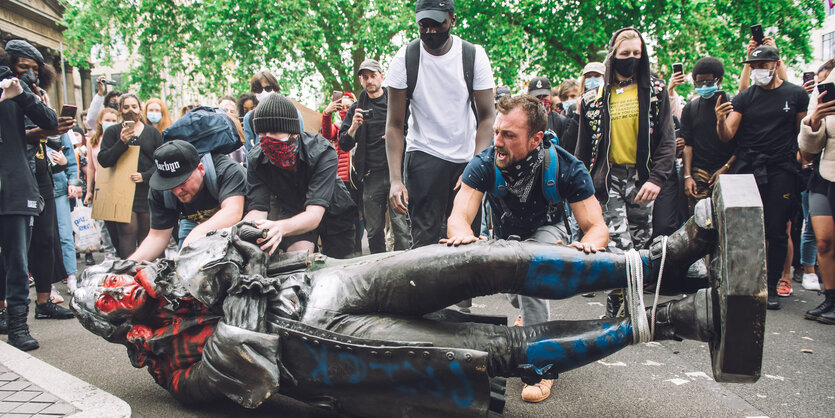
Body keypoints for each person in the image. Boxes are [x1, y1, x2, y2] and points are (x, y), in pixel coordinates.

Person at [71, 216, 733, 414]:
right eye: (110, 298)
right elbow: (245, 375)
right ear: (116, 326)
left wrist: (244, 245)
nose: (124, 286)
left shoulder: (175, 264)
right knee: (491, 355)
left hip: (327, 282)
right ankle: (671, 320)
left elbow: (235, 245)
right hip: (313, 345)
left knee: (482, 261)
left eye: (115, 278)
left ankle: (655, 260)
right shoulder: (170, 368)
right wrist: (228, 299)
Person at [444, 94, 609, 402]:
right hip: (506, 239)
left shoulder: (565, 166)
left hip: (548, 234)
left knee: (532, 274)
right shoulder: (484, 162)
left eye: (509, 135)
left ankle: (542, 367)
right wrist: (463, 236)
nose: (498, 141)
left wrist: (586, 248)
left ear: (536, 139)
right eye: (496, 132)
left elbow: (597, 227)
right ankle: (528, 311)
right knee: (516, 287)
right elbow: (459, 216)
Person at [385, 0, 496, 248]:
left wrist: (477, 166)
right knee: (424, 242)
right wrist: (395, 180)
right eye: (423, 25)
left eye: (437, 24)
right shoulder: (405, 58)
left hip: (466, 159)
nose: (430, 32)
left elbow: (488, 116)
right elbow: (394, 124)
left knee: (465, 235)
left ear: (452, 20)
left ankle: (465, 287)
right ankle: (426, 288)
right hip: (424, 155)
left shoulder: (473, 55)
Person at [716, 45, 809, 309]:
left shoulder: (796, 94)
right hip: (749, 167)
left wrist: (803, 160)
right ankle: (744, 283)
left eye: (763, 65)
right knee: (744, 228)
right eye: (754, 66)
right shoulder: (745, 97)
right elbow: (728, 135)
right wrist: (720, 121)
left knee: (777, 229)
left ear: (776, 64)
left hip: (782, 168)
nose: (758, 70)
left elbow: (802, 134)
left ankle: (772, 288)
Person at [243, 94, 357, 258]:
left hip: (334, 212)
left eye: (274, 131)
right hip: (294, 211)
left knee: (340, 268)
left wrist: (279, 227)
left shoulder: (322, 152)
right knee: (298, 260)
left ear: (293, 133)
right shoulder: (256, 159)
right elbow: (258, 209)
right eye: (261, 133)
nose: (267, 138)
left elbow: (313, 216)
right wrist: (242, 229)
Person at [0, 57, 58, 350]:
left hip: (14, 185)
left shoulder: (13, 84)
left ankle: (18, 326)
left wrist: (21, 94)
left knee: (18, 261)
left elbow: (50, 121)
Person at [127, 140, 246, 262]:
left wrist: (194, 237)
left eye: (183, 182)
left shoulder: (227, 171)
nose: (178, 191)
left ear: (200, 169)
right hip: (193, 223)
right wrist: (129, 265)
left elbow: (233, 212)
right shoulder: (160, 190)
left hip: (240, 226)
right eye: (171, 185)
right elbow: (157, 237)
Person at [340, 59, 410, 253]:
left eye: (372, 76)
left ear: (381, 76)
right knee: (373, 230)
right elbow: (344, 144)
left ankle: (404, 268)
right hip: (371, 176)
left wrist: (397, 137)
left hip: (397, 172)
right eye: (365, 77)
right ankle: (379, 268)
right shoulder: (356, 108)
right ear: (361, 81)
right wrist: (354, 127)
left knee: (402, 227)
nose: (369, 80)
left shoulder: (396, 103)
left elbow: (414, 132)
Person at [97, 93, 164, 258]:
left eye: (134, 107)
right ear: (120, 110)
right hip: (122, 190)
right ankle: (128, 273)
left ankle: (147, 274)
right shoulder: (112, 132)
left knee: (147, 233)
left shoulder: (152, 133)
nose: (130, 111)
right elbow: (104, 160)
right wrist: (121, 143)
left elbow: (161, 162)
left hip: (147, 190)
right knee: (127, 233)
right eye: (126, 107)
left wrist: (145, 176)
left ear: (140, 110)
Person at [798, 65, 835, 323]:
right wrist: (814, 121)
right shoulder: (830, 82)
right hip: (825, 172)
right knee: (824, 241)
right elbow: (809, 150)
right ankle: (831, 298)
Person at [681, 57, 737, 214]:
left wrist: (726, 167)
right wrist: (687, 176)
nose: (704, 86)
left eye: (708, 82)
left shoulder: (734, 105)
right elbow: (688, 145)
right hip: (700, 174)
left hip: (730, 172)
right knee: (701, 221)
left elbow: (742, 144)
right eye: (699, 83)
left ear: (719, 80)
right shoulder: (690, 109)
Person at [84, 107, 121, 258]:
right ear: (100, 121)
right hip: (100, 186)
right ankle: (109, 254)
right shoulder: (92, 141)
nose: (110, 123)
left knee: (119, 222)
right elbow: (91, 168)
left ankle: (121, 252)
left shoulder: (120, 139)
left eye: (113, 120)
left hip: (118, 185)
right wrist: (89, 190)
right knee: (104, 224)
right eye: (107, 120)